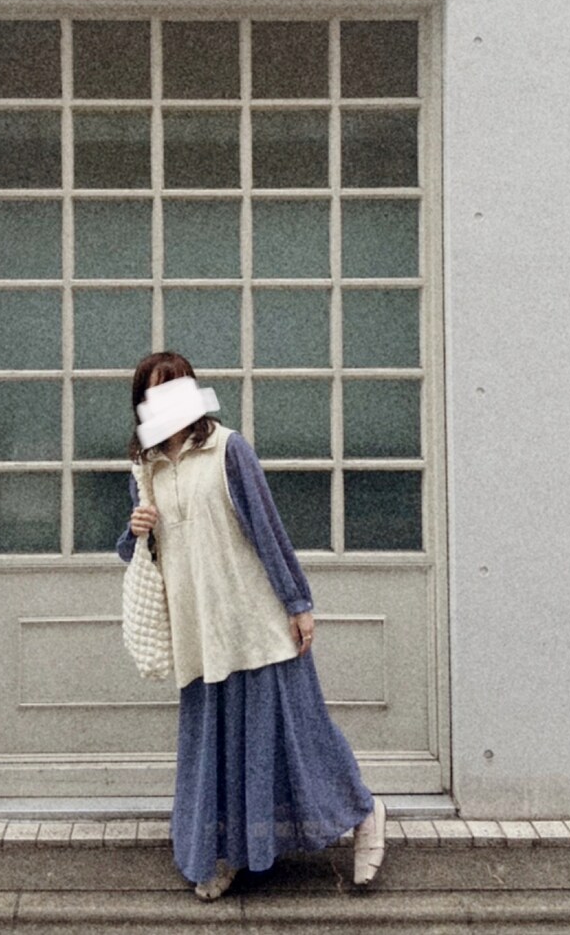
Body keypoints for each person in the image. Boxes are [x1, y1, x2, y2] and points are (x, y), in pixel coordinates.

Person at [117, 351, 386, 901]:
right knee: (218, 754)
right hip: (199, 632)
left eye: (176, 388)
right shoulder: (144, 467)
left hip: (254, 619)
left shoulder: (227, 449)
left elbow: (268, 529)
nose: (166, 401)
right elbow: (137, 553)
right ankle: (226, 855)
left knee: (300, 737)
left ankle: (365, 811)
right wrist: (135, 529)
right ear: (142, 403)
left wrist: (298, 601)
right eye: (154, 391)